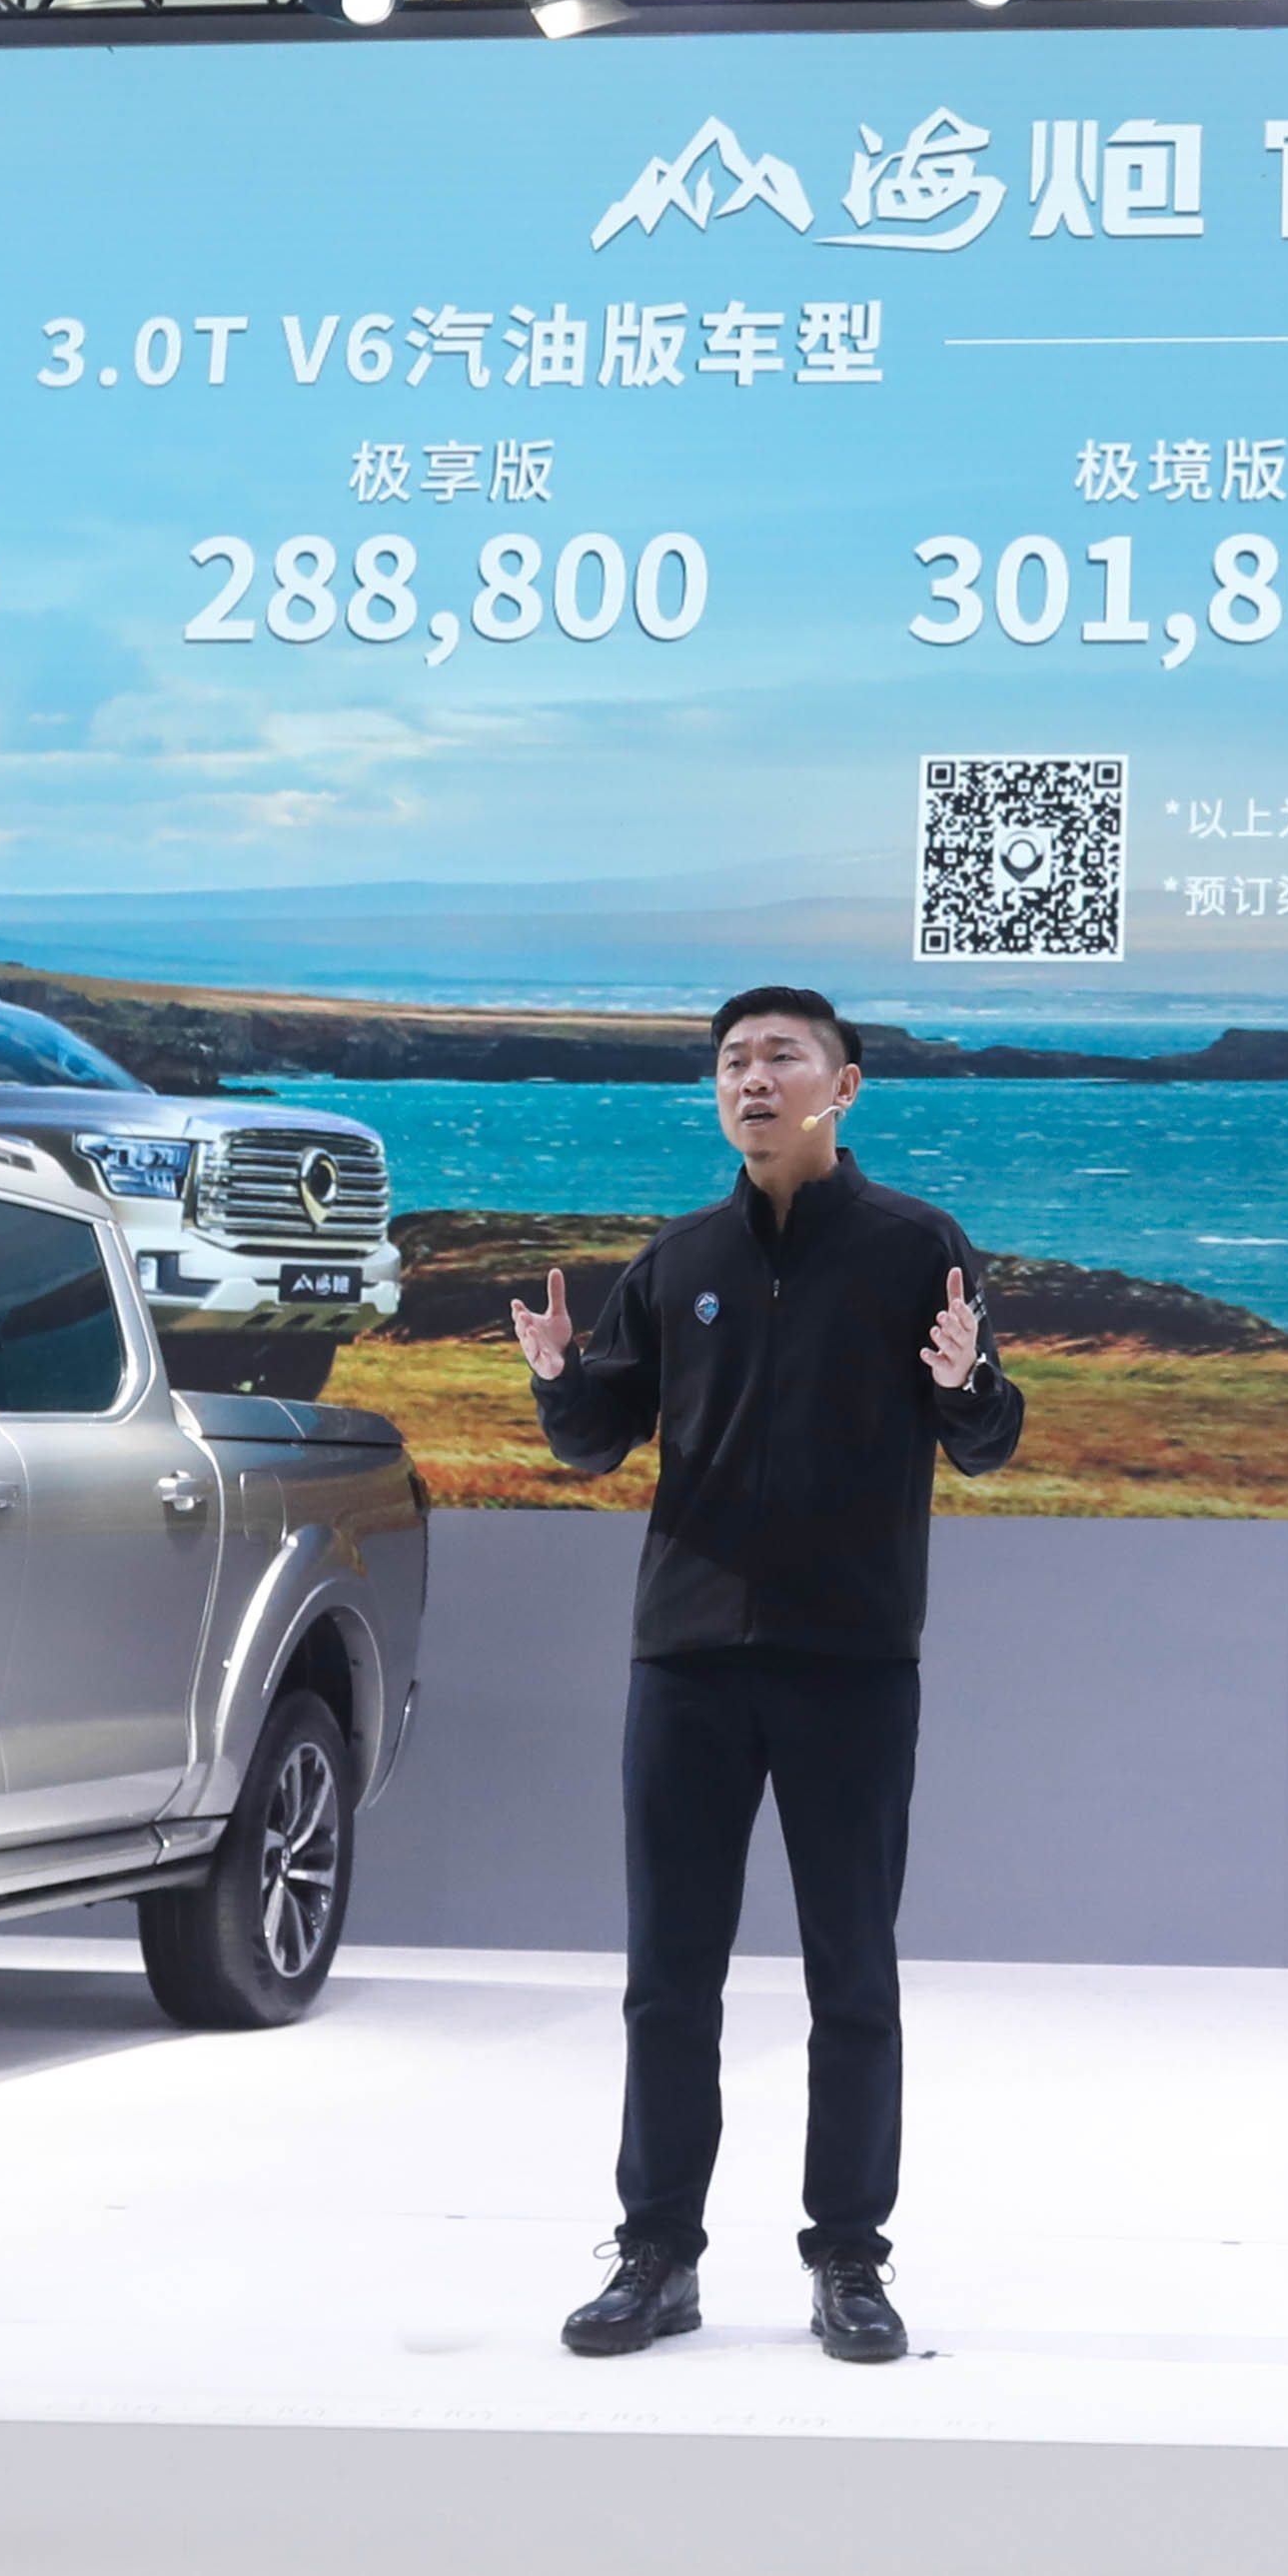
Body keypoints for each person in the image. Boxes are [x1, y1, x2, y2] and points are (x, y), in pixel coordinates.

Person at [512, 982, 1023, 2363]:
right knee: (668, 1979)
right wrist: (560, 1379)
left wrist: (968, 1385)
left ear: (842, 1087)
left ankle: (850, 2260)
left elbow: (986, 1440)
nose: (753, 1079)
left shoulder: (917, 1246)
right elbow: (595, 1441)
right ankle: (656, 2256)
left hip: (852, 1656)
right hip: (687, 1656)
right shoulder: (677, 1259)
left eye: (782, 1057)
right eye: (734, 1061)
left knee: (853, 1976)